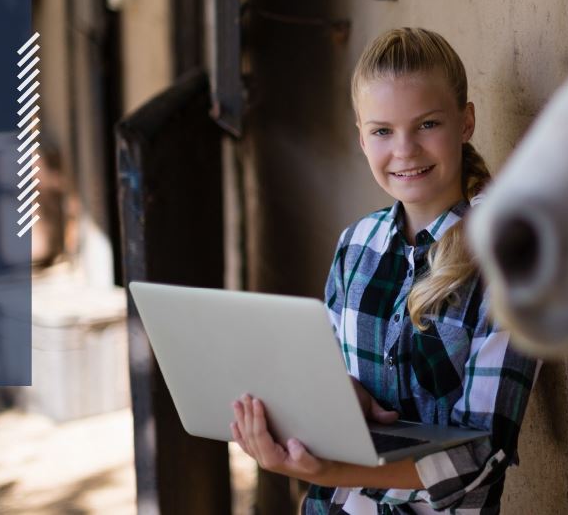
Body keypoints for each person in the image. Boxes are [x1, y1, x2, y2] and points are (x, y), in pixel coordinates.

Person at [230, 27, 541, 514]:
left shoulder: (509, 263)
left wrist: (330, 471)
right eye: (382, 131)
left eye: (427, 125)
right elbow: (327, 377)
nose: (405, 150)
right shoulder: (354, 245)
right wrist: (335, 394)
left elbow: (482, 456)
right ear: (361, 136)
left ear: (466, 122)